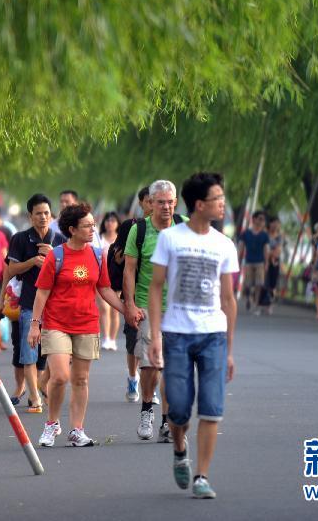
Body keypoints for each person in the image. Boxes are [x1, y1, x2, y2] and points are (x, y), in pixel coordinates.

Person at [148, 172, 238, 499]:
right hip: (177, 335)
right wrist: (155, 336)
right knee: (179, 410)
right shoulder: (171, 239)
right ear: (200, 204)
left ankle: (202, 476)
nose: (222, 203)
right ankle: (179, 449)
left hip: (213, 335)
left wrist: (229, 350)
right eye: (217, 198)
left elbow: (228, 299)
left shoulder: (224, 244)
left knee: (212, 408)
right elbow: (156, 287)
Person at [29, 203, 131, 447]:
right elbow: (42, 292)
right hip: (56, 324)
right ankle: (52, 424)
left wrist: (127, 310)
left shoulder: (97, 255)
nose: (92, 229)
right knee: (60, 376)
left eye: (93, 225)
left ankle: (77, 430)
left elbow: (105, 288)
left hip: (86, 324)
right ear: (72, 229)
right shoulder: (56, 255)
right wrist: (34, 324)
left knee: (81, 380)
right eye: (87, 226)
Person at [124, 179, 185, 443]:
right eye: (160, 202)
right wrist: (129, 304)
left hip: (178, 310)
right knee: (151, 366)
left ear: (176, 203)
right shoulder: (139, 230)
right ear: (151, 203)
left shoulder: (185, 228)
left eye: (170, 202)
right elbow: (129, 270)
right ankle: (147, 409)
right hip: (147, 307)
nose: (166, 207)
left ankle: (166, 422)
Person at [6, 194, 66, 414]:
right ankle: (34, 397)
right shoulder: (20, 239)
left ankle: (43, 385)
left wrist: (52, 258)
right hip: (29, 304)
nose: (43, 217)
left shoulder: (60, 240)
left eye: (46, 213)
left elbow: (66, 272)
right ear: (30, 216)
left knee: (53, 353)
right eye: (38, 213)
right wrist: (32, 261)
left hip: (55, 307)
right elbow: (11, 269)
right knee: (28, 353)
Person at [109, 186, 153, 402]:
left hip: (159, 297)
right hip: (134, 294)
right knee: (133, 341)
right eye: (149, 200)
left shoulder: (171, 228)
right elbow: (117, 256)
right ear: (141, 203)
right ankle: (133, 377)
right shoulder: (131, 226)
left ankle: (150, 384)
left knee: (153, 342)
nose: (154, 205)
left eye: (158, 200)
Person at [237, 211, 269, 313]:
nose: (262, 221)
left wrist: (266, 262)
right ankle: (249, 297)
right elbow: (241, 247)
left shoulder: (264, 235)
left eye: (263, 220)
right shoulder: (246, 233)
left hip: (260, 262)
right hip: (248, 261)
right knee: (248, 283)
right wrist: (238, 260)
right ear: (254, 219)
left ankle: (256, 303)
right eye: (260, 219)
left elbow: (266, 249)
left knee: (259, 283)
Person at [98, 212, 122, 350]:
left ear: (117, 223)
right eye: (107, 220)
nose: (110, 223)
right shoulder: (99, 238)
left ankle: (113, 339)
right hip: (101, 277)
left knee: (114, 310)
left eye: (113, 220)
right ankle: (106, 338)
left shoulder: (121, 239)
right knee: (103, 308)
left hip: (115, 278)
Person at [260, 216, 284, 314]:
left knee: (273, 284)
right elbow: (262, 248)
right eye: (273, 223)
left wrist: (270, 254)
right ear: (269, 224)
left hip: (275, 262)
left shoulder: (280, 237)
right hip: (263, 261)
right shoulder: (264, 235)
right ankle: (261, 304)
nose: (275, 225)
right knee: (263, 283)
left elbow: (279, 250)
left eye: (277, 223)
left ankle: (270, 304)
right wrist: (269, 254)